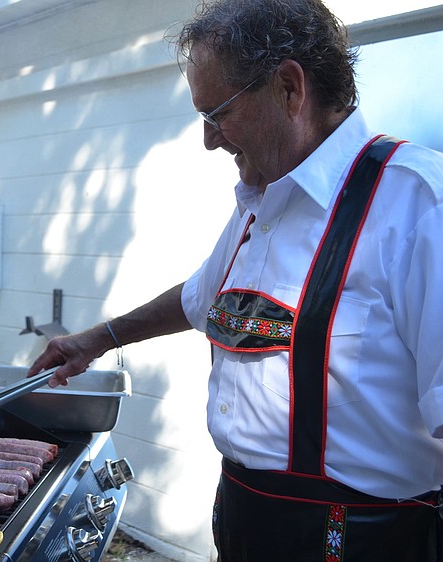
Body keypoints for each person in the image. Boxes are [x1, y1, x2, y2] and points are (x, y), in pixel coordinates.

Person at [28, 0, 443, 560]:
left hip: (362, 538)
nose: (209, 140)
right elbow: (201, 298)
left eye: (217, 113)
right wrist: (98, 339)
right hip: (243, 518)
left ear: (289, 88)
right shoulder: (260, 201)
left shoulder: (419, 204)